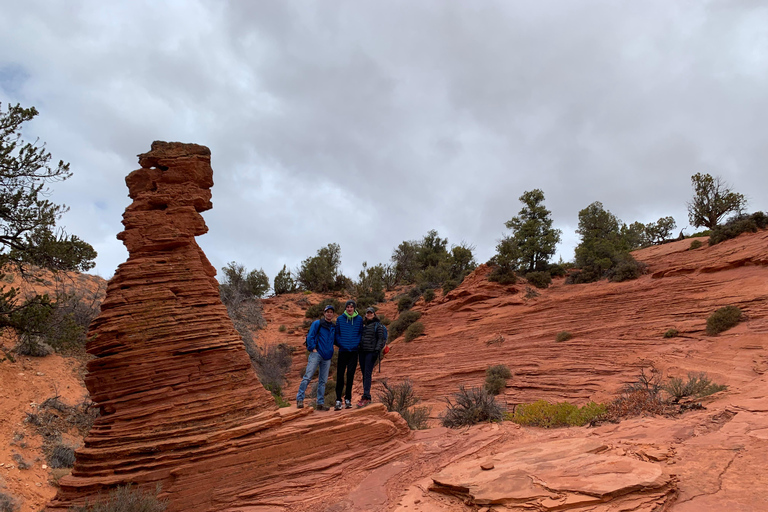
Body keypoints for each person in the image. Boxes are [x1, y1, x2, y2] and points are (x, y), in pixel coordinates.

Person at [296, 304, 336, 411]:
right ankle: (299, 399)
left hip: (327, 356)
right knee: (308, 376)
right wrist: (312, 348)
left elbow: (335, 340)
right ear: (324, 313)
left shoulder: (333, 327)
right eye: (327, 312)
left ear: (333, 314)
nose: (329, 314)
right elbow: (310, 336)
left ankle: (320, 403)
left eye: (331, 312)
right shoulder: (317, 323)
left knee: (323, 381)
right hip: (316, 353)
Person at [334, 299, 363, 410]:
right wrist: (343, 344)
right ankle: (338, 400)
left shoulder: (359, 319)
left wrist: (356, 344)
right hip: (343, 351)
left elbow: (360, 333)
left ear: (354, 308)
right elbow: (337, 334)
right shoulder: (340, 319)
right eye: (348, 307)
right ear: (345, 308)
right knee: (340, 375)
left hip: (354, 352)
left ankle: (348, 399)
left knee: (350, 375)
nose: (349, 309)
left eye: (351, 307)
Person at [357, 307, 387, 407]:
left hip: (371, 352)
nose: (369, 315)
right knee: (364, 373)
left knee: (367, 373)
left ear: (374, 314)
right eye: (367, 313)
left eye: (371, 313)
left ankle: (367, 396)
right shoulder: (363, 326)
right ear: (365, 315)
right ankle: (365, 396)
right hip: (362, 352)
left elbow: (381, 338)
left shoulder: (378, 325)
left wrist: (376, 350)